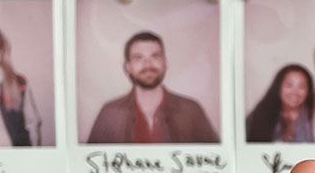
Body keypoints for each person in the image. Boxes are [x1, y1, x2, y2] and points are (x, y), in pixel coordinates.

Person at [87, 31, 219, 144]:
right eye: (138, 58)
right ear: (128, 67)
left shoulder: (191, 111)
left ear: (165, 63)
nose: (148, 64)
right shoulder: (109, 114)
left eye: (155, 56)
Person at [246, 64, 315, 143]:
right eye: (289, 85)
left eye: (301, 87)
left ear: (308, 91)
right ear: (278, 87)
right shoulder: (259, 117)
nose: (295, 92)